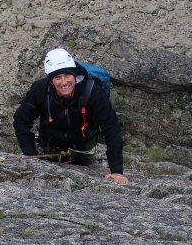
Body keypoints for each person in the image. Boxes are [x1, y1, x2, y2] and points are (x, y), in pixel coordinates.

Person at [13, 48, 129, 184]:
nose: (63, 82)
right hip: (48, 149)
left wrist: (116, 171)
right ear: (51, 80)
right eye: (57, 77)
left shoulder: (92, 91)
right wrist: (30, 155)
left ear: (74, 75)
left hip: (83, 152)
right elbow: (21, 120)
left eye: (67, 75)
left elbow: (111, 128)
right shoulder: (40, 89)